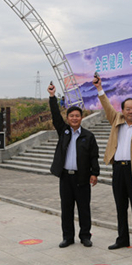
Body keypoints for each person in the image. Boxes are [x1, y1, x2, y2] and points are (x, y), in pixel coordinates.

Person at [93, 74, 132, 253]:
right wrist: (99, 88)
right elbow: (106, 105)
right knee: (121, 207)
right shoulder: (116, 122)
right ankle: (122, 239)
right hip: (118, 169)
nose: (130, 111)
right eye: (127, 109)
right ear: (122, 110)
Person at [48, 84, 100, 248]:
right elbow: (56, 116)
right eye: (72, 116)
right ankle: (68, 237)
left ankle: (85, 236)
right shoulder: (64, 131)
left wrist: (95, 173)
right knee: (67, 208)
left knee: (84, 208)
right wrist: (52, 96)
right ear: (68, 118)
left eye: (77, 116)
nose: (75, 118)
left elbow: (94, 156)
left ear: (81, 118)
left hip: (82, 178)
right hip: (65, 177)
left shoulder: (88, 136)